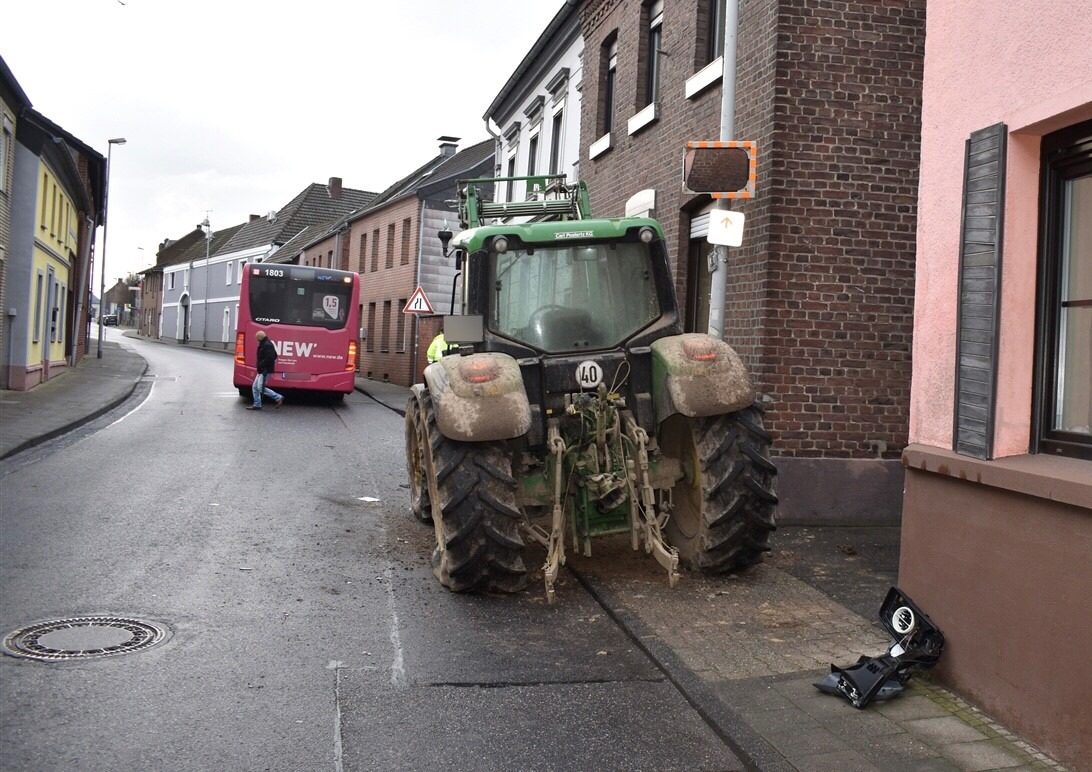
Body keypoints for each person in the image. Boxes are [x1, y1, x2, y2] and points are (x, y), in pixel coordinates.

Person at [248, 331, 284, 410]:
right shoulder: (265, 344)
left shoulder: (267, 345)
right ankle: (257, 404)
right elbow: (274, 356)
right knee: (255, 387)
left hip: (265, 370)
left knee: (260, 387)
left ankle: (278, 397)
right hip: (262, 369)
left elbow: (270, 358)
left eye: (257, 338)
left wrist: (262, 365)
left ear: (259, 338)